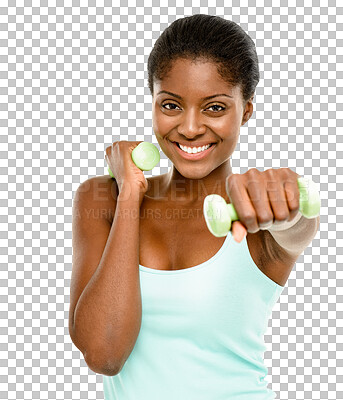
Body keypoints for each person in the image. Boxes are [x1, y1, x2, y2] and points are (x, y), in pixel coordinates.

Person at [69, 14, 320, 399]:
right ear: (153, 102)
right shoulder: (102, 197)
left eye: (215, 108)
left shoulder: (255, 211)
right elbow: (104, 355)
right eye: (170, 105)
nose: (189, 127)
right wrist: (131, 194)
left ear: (246, 110)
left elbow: (297, 226)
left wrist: (291, 209)